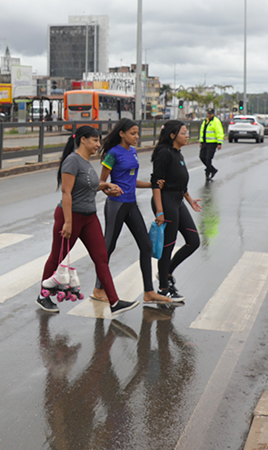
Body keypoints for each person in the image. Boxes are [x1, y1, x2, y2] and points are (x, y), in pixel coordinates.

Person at [36, 124, 138, 315]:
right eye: (95, 140)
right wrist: (67, 222)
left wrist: (106, 185)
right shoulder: (72, 161)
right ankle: (43, 296)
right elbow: (67, 193)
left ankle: (115, 303)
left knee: (101, 259)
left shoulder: (86, 162)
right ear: (83, 139)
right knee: (57, 257)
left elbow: (88, 186)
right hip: (71, 216)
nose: (98, 144)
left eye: (99, 140)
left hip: (89, 217)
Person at [92, 119, 171, 305]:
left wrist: (153, 184)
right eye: (133, 133)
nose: (136, 137)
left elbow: (131, 181)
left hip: (131, 204)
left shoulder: (133, 152)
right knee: (108, 247)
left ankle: (149, 292)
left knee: (146, 246)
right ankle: (98, 288)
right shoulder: (112, 154)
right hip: (116, 205)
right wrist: (110, 189)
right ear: (122, 133)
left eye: (137, 133)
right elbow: (101, 183)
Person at [150, 121, 202, 302]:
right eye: (183, 133)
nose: (187, 136)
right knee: (168, 246)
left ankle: (167, 273)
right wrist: (159, 211)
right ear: (172, 135)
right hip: (165, 202)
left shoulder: (177, 153)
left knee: (193, 241)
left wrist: (190, 199)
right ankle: (164, 289)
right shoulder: (164, 154)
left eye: (187, 133)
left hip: (178, 200)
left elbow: (179, 181)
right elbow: (156, 183)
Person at [198, 108, 224, 183]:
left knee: (208, 158)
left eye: (210, 114)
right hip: (205, 142)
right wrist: (201, 141)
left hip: (212, 143)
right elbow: (202, 132)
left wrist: (219, 143)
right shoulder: (205, 121)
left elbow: (219, 132)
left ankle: (208, 172)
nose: (208, 115)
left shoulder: (216, 121)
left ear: (213, 114)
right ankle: (212, 169)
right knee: (202, 157)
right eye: (208, 113)